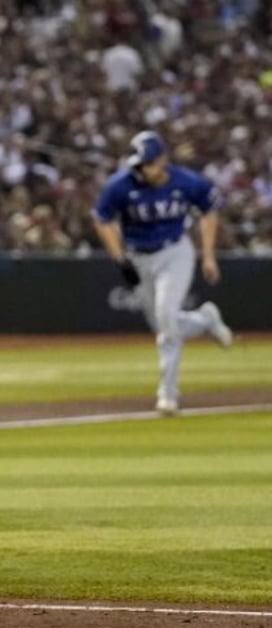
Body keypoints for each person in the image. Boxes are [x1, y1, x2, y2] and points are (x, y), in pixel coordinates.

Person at [92, 130, 233, 416]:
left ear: (163, 159)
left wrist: (207, 255)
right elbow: (101, 219)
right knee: (161, 324)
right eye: (140, 164)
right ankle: (204, 320)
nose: (144, 170)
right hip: (138, 255)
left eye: (149, 163)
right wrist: (120, 260)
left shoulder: (187, 181)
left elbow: (209, 209)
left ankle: (168, 394)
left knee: (167, 317)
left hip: (175, 252)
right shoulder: (120, 185)